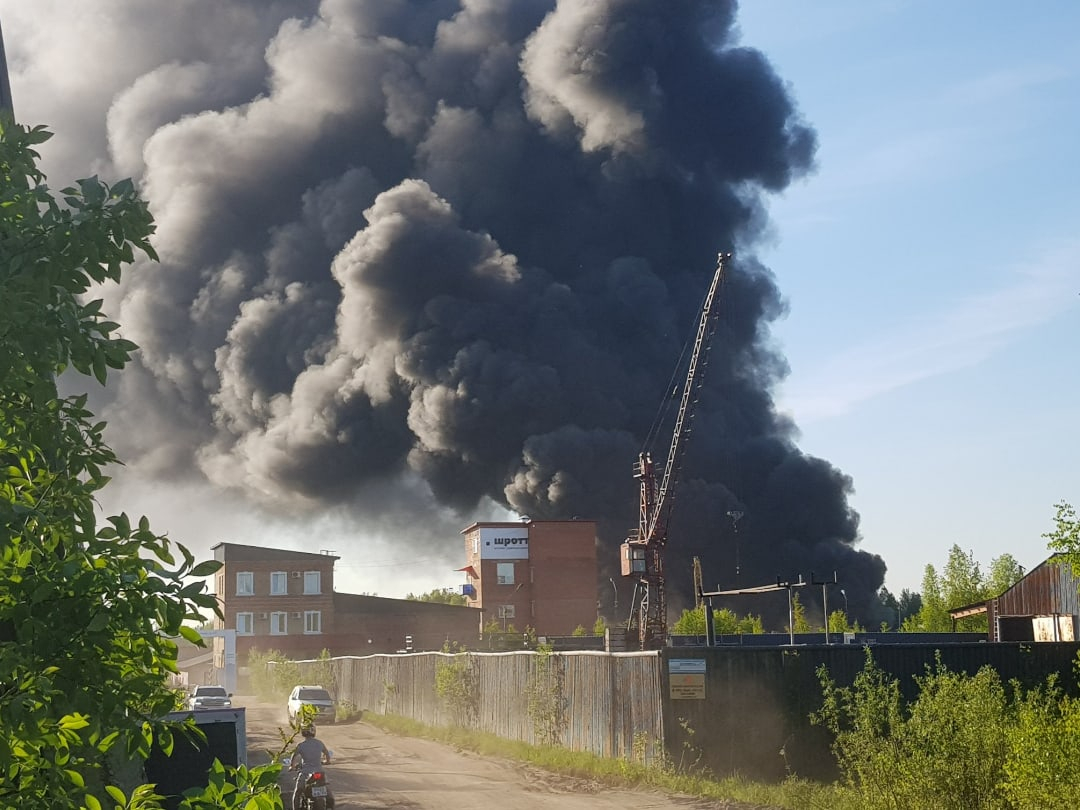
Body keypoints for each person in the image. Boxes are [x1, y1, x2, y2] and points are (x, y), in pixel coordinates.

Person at [291, 724, 334, 809]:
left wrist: (292, 766)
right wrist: (327, 761)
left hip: (305, 773)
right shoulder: (319, 743)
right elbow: (326, 753)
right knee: (328, 793)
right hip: (319, 772)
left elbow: (294, 756)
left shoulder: (301, 745)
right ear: (314, 732)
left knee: (297, 793)